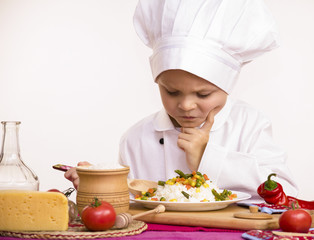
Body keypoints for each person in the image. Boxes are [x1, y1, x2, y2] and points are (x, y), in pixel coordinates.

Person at [66, 0, 298, 200]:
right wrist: (97, 185)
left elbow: (287, 194)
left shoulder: (250, 125)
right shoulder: (135, 139)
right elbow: (129, 203)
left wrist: (208, 157)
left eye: (203, 94)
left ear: (227, 86)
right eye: (172, 92)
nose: (186, 105)